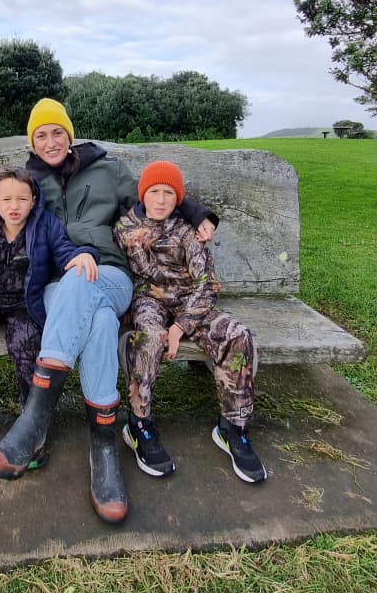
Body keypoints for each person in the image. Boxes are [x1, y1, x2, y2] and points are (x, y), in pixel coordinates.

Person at [0, 98, 218, 524]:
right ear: (32, 142)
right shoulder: (28, 178)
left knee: (88, 289)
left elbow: (155, 198)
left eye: (57, 132)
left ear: (69, 134)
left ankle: (35, 420)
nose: (50, 141)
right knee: (100, 320)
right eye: (40, 135)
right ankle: (104, 447)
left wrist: (197, 212)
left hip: (111, 274)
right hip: (53, 283)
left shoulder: (108, 170)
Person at [113, 160, 266, 484]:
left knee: (237, 335)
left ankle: (232, 428)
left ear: (178, 198)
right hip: (148, 300)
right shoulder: (124, 228)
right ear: (143, 194)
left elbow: (207, 284)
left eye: (169, 193)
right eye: (154, 191)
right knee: (148, 339)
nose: (161, 199)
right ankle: (139, 424)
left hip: (190, 301)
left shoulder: (187, 230)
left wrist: (180, 326)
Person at [0, 167, 99, 448]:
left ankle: (31, 417)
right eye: (7, 200)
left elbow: (63, 250)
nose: (14, 207)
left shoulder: (45, 225)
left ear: (34, 200)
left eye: (22, 199)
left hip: (25, 302)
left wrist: (83, 254)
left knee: (27, 346)